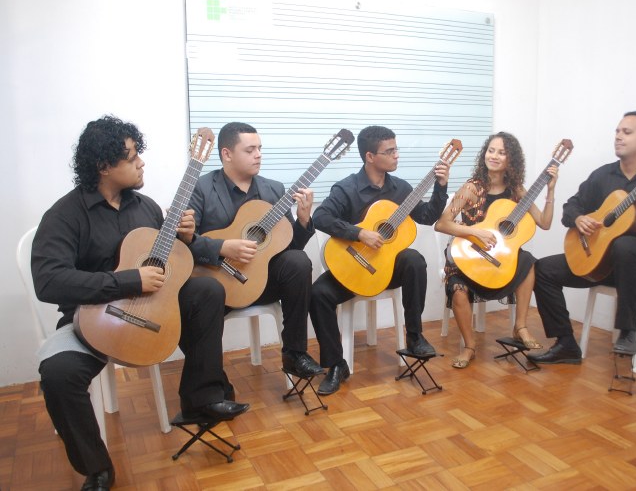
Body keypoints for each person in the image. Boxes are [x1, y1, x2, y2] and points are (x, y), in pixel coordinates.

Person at [31, 116, 248, 491]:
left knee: (208, 291)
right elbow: (49, 280)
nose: (141, 163)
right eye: (132, 158)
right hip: (91, 320)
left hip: (152, 314)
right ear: (104, 166)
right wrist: (128, 280)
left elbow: (176, 256)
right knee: (58, 374)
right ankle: (96, 467)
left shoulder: (145, 206)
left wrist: (189, 235)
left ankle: (201, 398)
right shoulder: (65, 215)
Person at [529, 111, 636, 364]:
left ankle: (626, 333)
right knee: (542, 269)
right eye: (617, 132)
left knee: (626, 245)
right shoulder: (603, 176)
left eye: (626, 132)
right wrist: (578, 219)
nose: (618, 137)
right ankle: (566, 343)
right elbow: (571, 207)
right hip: (605, 263)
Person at [310, 125, 451, 395]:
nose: (397, 155)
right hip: (355, 267)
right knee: (317, 294)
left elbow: (426, 216)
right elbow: (321, 217)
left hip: (385, 269)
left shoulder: (401, 188)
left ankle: (414, 337)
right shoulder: (347, 188)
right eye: (390, 151)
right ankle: (336, 365)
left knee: (413, 259)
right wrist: (359, 233)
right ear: (370, 156)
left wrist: (440, 187)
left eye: (396, 149)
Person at [188, 122, 323, 378]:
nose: (258, 155)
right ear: (227, 154)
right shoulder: (202, 188)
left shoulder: (274, 189)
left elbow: (288, 247)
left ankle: (294, 353)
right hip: (219, 286)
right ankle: (210, 382)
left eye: (260, 148)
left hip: (260, 283)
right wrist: (223, 247)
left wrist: (303, 220)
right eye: (250, 150)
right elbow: (184, 241)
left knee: (298, 261)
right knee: (202, 298)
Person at [435, 132, 558, 368]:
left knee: (529, 261)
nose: (494, 156)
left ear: (511, 160)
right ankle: (469, 346)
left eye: (502, 152)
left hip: (498, 258)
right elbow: (442, 223)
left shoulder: (516, 191)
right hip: (469, 256)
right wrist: (475, 232)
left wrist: (551, 190)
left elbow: (544, 222)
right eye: (491, 150)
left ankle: (520, 326)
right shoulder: (471, 188)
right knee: (458, 288)